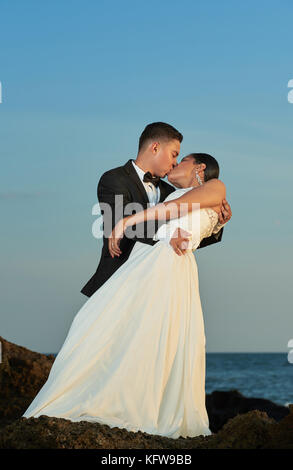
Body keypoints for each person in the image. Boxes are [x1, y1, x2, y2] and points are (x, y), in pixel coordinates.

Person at [22, 152, 227, 439]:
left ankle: (139, 407)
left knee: (150, 338)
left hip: (167, 266)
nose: (174, 164)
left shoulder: (216, 187)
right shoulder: (126, 182)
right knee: (99, 325)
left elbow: (176, 211)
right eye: (173, 155)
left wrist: (126, 223)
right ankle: (106, 395)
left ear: (200, 168)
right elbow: (181, 219)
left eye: (181, 160)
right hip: (151, 260)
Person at [80, 122, 231, 297]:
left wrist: (216, 225)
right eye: (174, 155)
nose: (175, 163)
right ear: (155, 147)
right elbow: (123, 225)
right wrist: (167, 234)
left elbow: (184, 238)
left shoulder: (171, 192)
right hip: (118, 279)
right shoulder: (115, 179)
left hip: (159, 282)